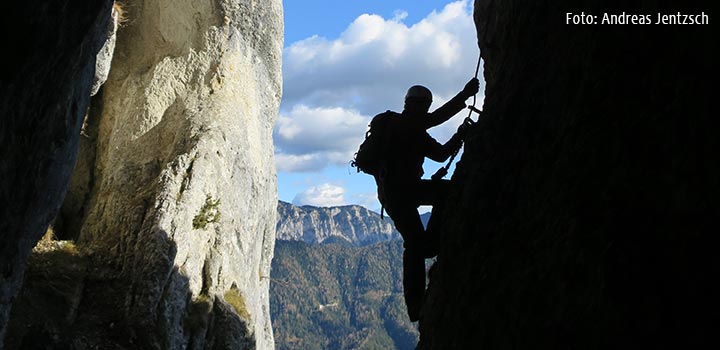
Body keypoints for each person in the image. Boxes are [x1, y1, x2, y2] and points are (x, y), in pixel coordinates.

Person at [375, 78, 479, 321]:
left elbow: (435, 139)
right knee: (417, 242)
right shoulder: (410, 128)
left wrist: (459, 130)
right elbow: (440, 151)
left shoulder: (391, 123)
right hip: (407, 191)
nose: (426, 111)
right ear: (422, 106)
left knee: (415, 243)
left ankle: (416, 301)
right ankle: (416, 301)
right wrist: (463, 99)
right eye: (425, 107)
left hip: (392, 194)